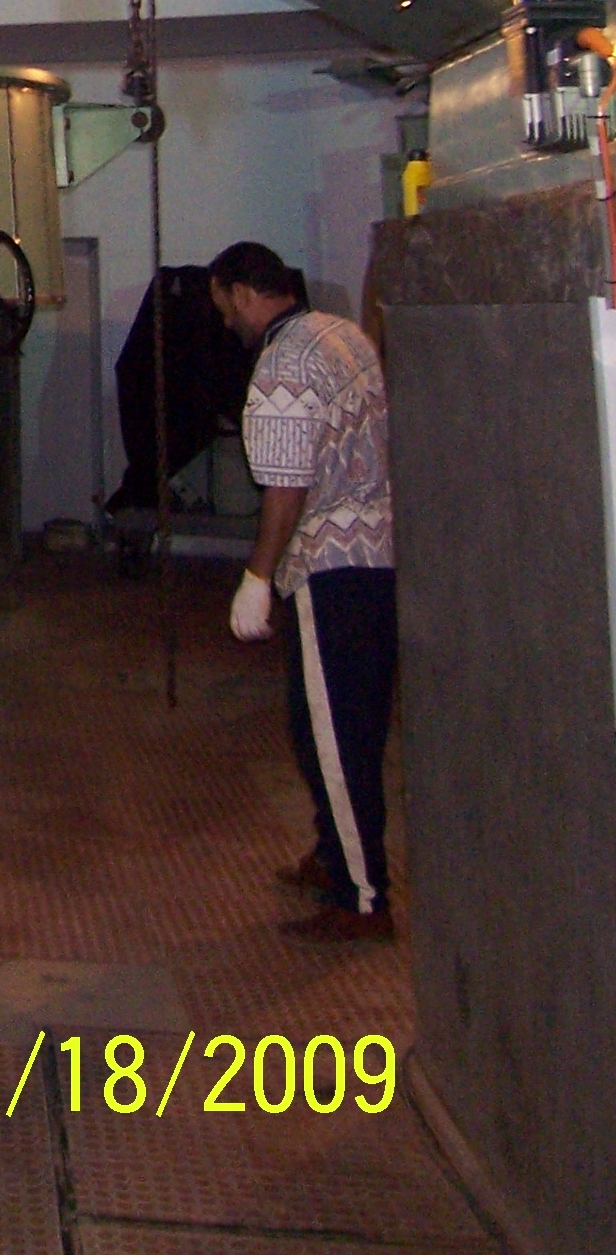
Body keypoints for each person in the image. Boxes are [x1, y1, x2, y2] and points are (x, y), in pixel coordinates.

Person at [210, 240, 398, 943]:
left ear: (243, 293)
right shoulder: (343, 334)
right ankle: (333, 854)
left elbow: (285, 489)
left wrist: (257, 579)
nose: (226, 321)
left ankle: (361, 898)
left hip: (331, 567)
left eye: (224, 306)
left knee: (333, 738)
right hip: (381, 556)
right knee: (342, 725)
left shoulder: (282, 363)